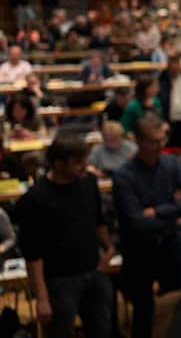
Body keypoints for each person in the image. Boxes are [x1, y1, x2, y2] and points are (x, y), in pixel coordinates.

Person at [17, 132, 116, 338]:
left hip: (94, 270)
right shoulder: (35, 199)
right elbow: (32, 253)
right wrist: (42, 298)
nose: (84, 166)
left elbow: (98, 220)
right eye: (78, 162)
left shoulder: (88, 182)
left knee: (103, 330)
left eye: (85, 160)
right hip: (59, 280)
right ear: (58, 164)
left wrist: (109, 248)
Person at [112, 113, 181, 338]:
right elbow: (136, 221)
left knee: (177, 304)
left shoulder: (172, 163)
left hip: (171, 245)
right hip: (140, 251)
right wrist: (172, 211)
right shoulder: (123, 176)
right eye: (153, 141)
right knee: (144, 312)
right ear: (137, 140)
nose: (159, 146)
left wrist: (157, 211)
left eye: (162, 140)